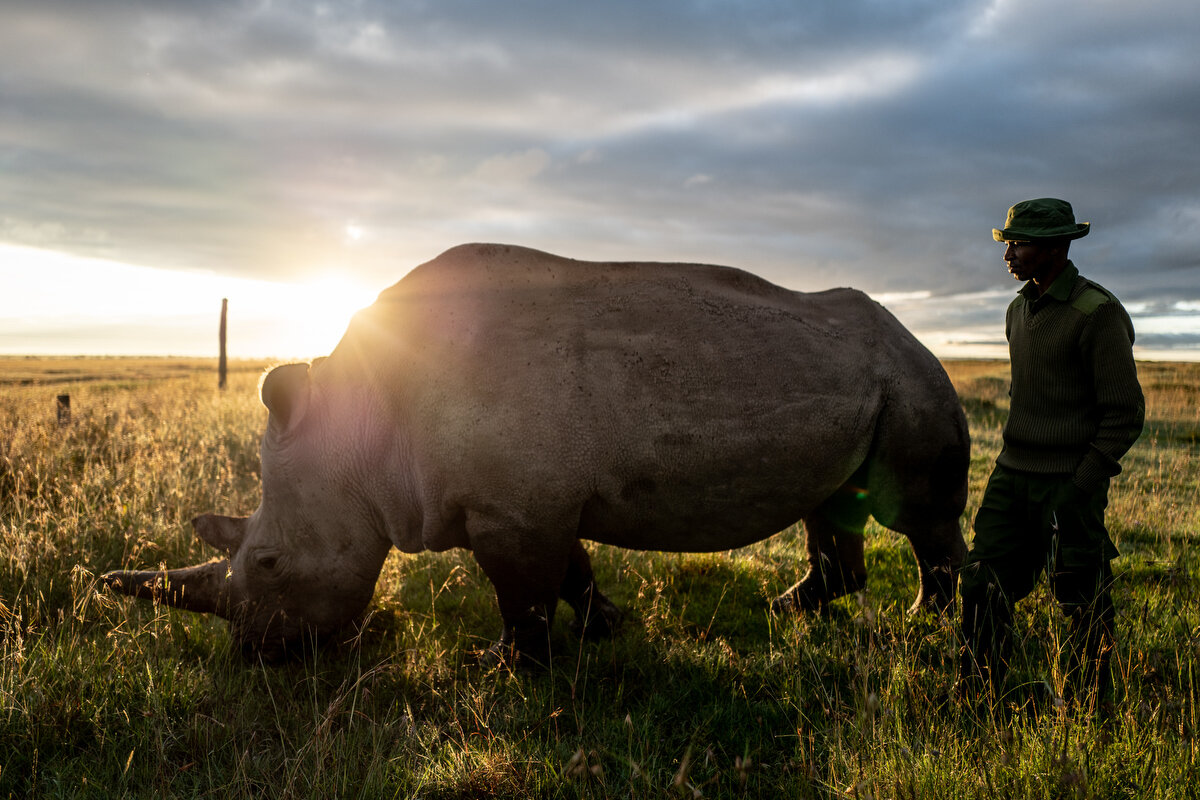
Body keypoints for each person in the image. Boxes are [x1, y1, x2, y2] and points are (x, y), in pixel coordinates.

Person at [959, 198, 1145, 712]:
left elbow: (1125, 414)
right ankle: (982, 698)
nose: (1008, 254)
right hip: (1011, 475)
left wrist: (1082, 483)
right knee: (980, 583)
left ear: (1055, 246)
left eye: (1018, 244)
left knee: (1080, 599)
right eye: (1009, 243)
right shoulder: (1017, 310)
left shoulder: (1097, 313)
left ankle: (1089, 709)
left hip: (1070, 483)